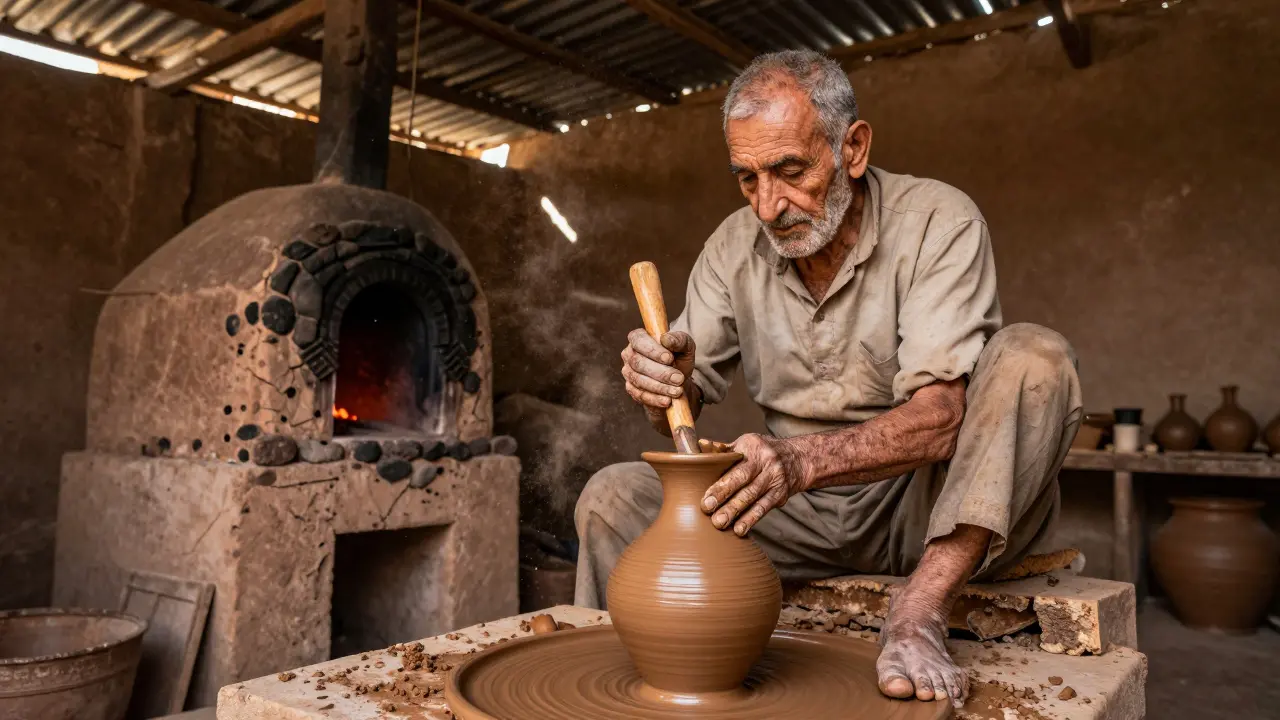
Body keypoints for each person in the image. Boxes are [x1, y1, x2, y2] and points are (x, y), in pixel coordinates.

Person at [574, 49, 1082, 708]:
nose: (768, 204)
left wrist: (800, 461)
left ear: (854, 148)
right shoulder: (733, 247)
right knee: (614, 496)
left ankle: (918, 613)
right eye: (747, 178)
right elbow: (682, 398)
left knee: (1034, 360)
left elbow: (943, 417)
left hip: (925, 503)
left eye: (789, 171)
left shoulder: (936, 220)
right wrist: (658, 382)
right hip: (794, 513)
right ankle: (621, 683)